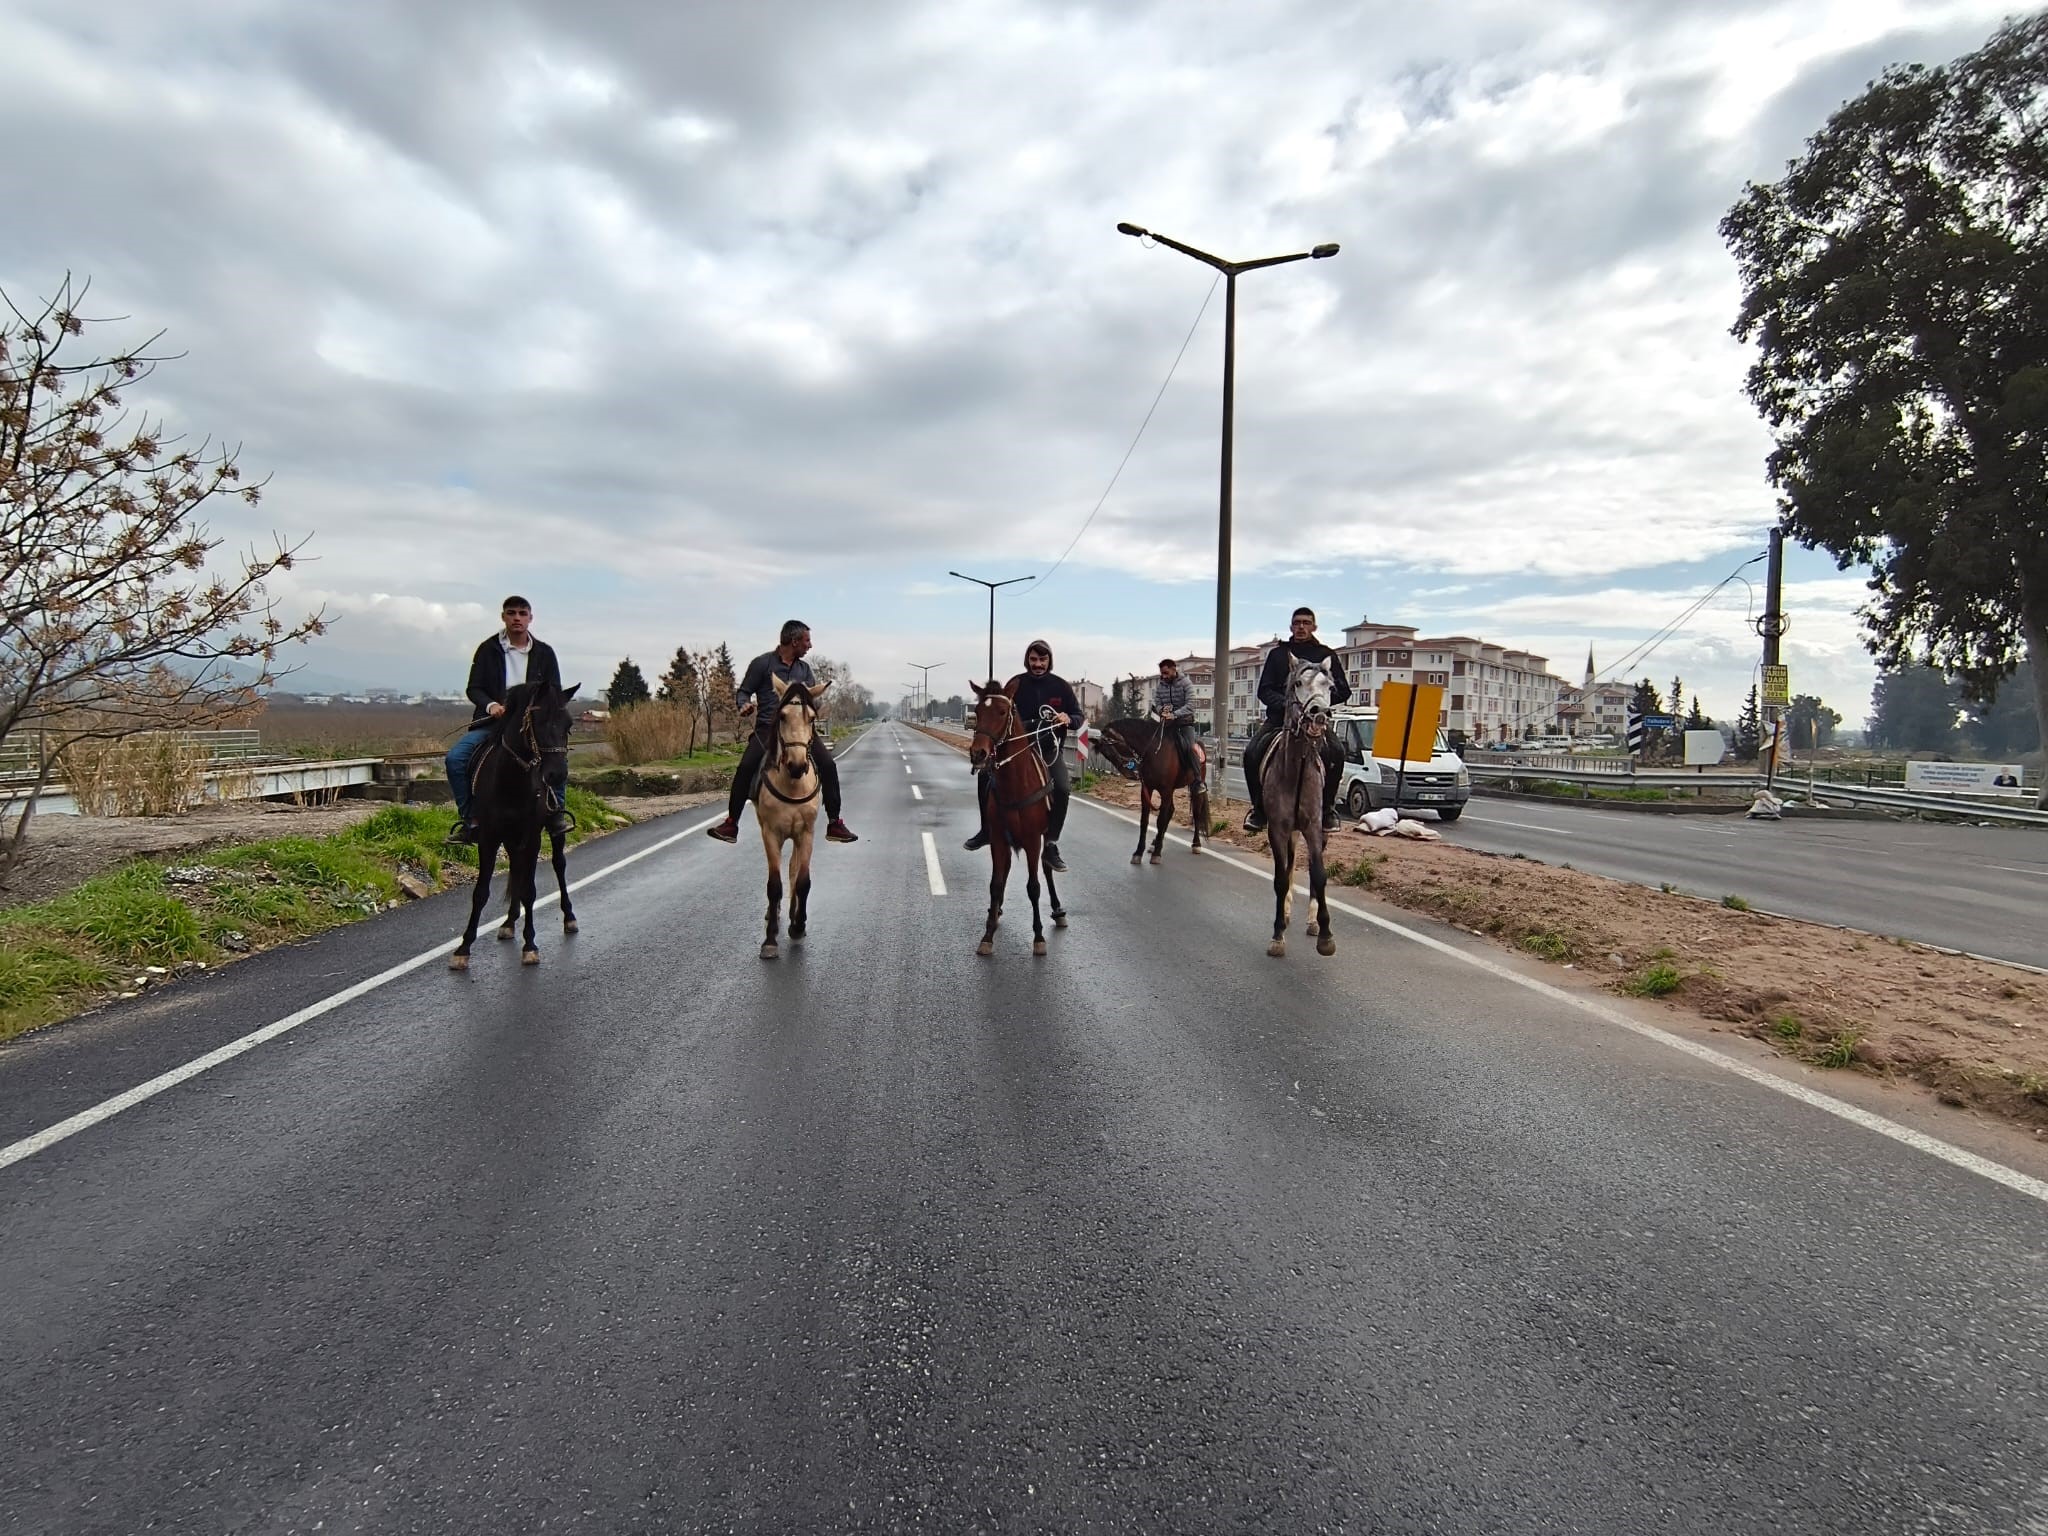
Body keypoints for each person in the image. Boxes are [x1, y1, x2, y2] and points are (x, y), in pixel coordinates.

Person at [705, 620, 858, 845]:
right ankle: (731, 823)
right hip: (768, 728)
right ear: (794, 641)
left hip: (801, 731)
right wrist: (744, 705)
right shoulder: (761, 664)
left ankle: (834, 822)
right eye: (806, 641)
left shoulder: (804, 669)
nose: (810, 646)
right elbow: (743, 692)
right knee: (746, 767)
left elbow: (810, 701)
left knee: (828, 765)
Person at [445, 595, 569, 843]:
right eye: (511, 613)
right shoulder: (488, 649)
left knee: (555, 756)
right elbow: (474, 688)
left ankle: (556, 814)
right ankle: (471, 820)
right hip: (493, 723)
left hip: (532, 726)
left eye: (522, 614)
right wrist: (491, 706)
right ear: (503, 617)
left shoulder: (544, 653)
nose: (517, 618)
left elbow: (554, 691)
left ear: (530, 618)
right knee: (455, 759)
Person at [964, 639, 1080, 872]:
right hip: (1017, 751)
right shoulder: (1016, 684)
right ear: (1027, 660)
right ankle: (986, 830)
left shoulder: (1061, 687)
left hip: (1048, 750)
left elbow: (1078, 716)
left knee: (1063, 788)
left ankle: (1051, 843)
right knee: (984, 777)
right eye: (1034, 659)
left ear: (1050, 661)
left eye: (1043, 660)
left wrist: (1069, 718)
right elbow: (1000, 714)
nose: (1038, 664)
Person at [1242, 606, 1352, 834]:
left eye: (1306, 622)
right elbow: (1264, 690)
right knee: (1251, 752)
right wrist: (1288, 705)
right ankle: (1258, 810)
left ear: (1314, 627)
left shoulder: (1327, 654)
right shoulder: (1277, 655)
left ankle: (1328, 810)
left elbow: (1343, 690)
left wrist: (1320, 704)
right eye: (1297, 623)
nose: (1301, 627)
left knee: (1338, 752)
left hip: (1314, 722)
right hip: (1280, 720)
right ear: (1291, 627)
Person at [1153, 657, 1204, 783]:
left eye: (1166, 673)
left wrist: (1175, 714)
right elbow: (1157, 703)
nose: (1163, 676)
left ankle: (1198, 781)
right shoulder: (1160, 686)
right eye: (1162, 673)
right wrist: (1161, 711)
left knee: (1191, 748)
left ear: (1174, 669)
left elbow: (1191, 705)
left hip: (1185, 723)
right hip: (1167, 725)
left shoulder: (1186, 683)